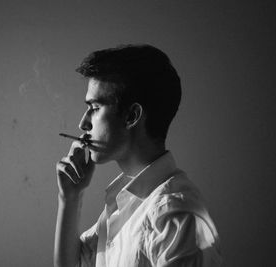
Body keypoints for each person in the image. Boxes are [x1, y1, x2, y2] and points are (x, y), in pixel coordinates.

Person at [54, 44, 222, 267]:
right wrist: (70, 197)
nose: (83, 123)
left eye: (94, 108)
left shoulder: (176, 217)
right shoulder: (126, 203)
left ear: (132, 115)